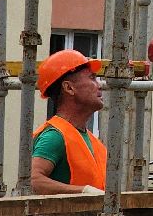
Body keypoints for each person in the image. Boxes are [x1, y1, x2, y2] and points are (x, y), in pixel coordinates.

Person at [31, 48, 107, 195]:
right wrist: (82, 191)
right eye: (92, 78)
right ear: (69, 88)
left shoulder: (93, 142)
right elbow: (33, 180)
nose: (99, 85)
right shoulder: (55, 136)